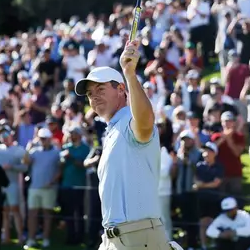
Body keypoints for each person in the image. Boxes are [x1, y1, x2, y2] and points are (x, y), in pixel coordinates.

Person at [74, 41, 178, 250]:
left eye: (100, 88)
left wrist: (130, 74)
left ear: (121, 89)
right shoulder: (112, 130)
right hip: (113, 239)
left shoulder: (130, 120)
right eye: (90, 94)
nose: (94, 96)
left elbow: (146, 121)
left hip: (138, 237)